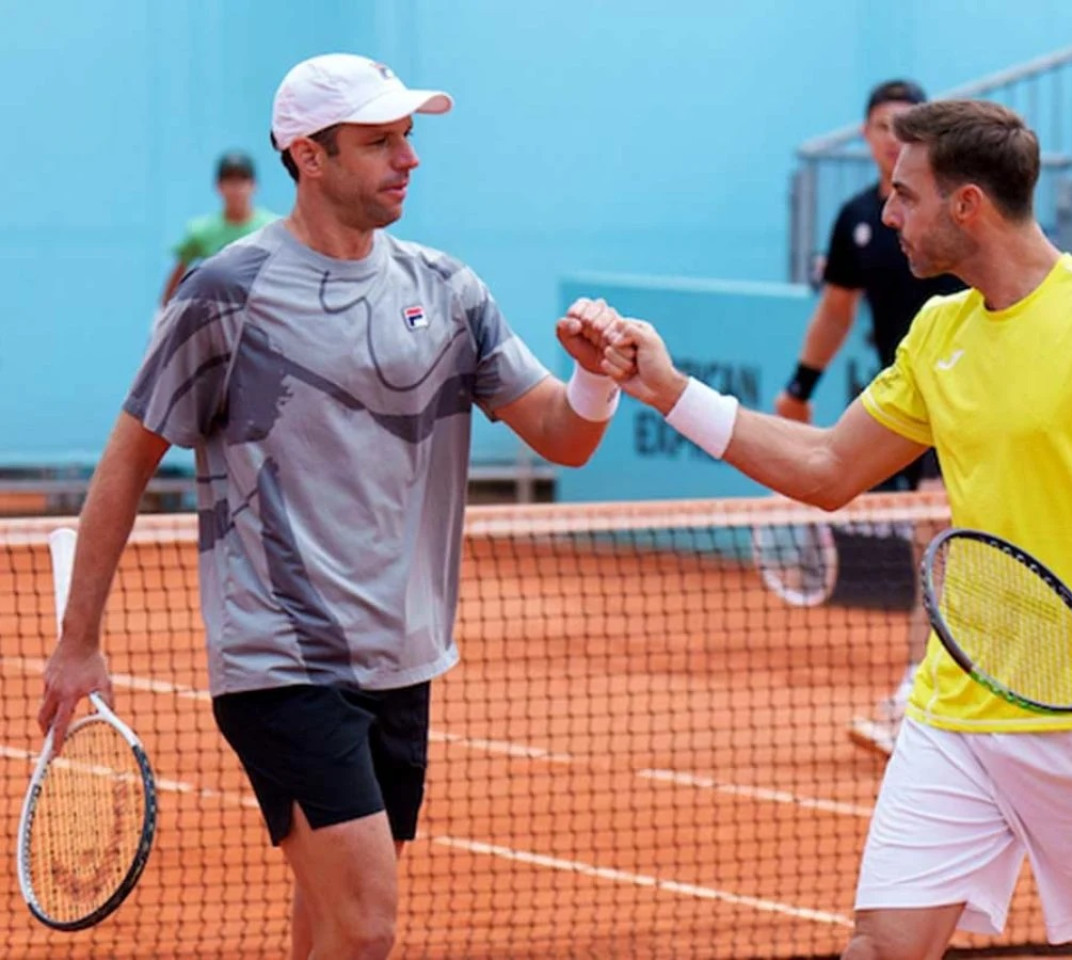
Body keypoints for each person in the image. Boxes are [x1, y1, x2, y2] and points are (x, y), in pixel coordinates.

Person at [587, 100, 1072, 959]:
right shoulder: (938, 329)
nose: (888, 214)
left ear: (968, 204)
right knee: (880, 949)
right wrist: (672, 391)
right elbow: (830, 469)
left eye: (904, 195)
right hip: (957, 709)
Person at [39, 53, 630, 960]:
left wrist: (593, 379)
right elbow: (125, 463)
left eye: (409, 137)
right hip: (280, 660)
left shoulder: (448, 288)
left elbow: (563, 436)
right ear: (308, 156)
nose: (409, 159)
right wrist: (79, 642)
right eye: (380, 141)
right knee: (368, 925)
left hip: (402, 656)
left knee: (327, 922)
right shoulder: (225, 295)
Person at [775, 79, 964, 755]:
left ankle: (923, 691)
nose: (894, 137)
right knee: (937, 545)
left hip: (970, 397)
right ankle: (936, 689)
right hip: (907, 402)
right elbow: (836, 309)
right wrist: (800, 387)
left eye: (908, 125)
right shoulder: (861, 217)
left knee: (935, 538)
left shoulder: (957, 210)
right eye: (884, 126)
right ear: (866, 135)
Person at [160, 150, 279, 306]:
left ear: (253, 185)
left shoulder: (272, 228)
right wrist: (165, 313)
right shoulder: (202, 231)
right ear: (219, 186)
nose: (236, 189)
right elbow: (178, 273)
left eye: (242, 180)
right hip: (217, 313)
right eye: (230, 181)